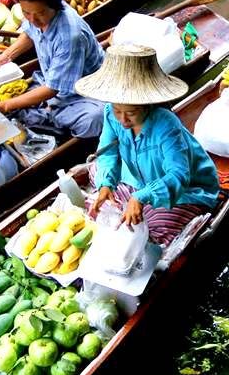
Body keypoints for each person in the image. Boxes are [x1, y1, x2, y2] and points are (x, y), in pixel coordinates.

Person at [78, 44, 219, 246]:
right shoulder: (111, 114)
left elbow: (179, 175)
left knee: (154, 227)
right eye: (118, 111)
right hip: (139, 179)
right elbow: (108, 154)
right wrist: (106, 185)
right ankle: (130, 198)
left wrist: (142, 197)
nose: (123, 120)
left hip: (186, 188)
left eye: (131, 113)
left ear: (147, 104)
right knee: (97, 172)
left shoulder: (166, 125)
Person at [0, 0, 105, 138]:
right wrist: (8, 55)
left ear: (54, 5)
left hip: (83, 91)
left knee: (93, 120)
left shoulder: (69, 37)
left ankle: (52, 120)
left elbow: (53, 89)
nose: (32, 19)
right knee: (18, 95)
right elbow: (30, 32)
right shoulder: (37, 13)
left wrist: (5, 106)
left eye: (39, 14)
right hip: (48, 79)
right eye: (26, 13)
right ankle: (46, 112)